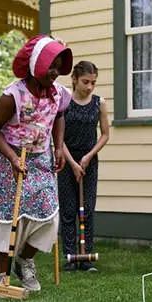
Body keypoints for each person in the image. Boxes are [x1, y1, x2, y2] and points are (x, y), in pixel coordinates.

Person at [0, 34, 73, 291]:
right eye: (50, 66)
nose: (55, 72)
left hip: (40, 159)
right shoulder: (13, 95)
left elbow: (60, 116)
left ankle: (25, 260)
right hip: (5, 160)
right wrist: (11, 157)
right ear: (36, 66)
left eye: (58, 66)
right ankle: (1, 277)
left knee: (48, 216)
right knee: (8, 219)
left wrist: (58, 147)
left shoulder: (59, 94)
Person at [58, 61, 110, 272]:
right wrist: (72, 163)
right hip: (66, 160)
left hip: (89, 161)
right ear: (74, 79)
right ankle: (70, 256)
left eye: (93, 83)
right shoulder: (64, 102)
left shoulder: (99, 103)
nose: (89, 87)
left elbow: (105, 134)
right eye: (85, 82)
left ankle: (86, 256)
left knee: (87, 209)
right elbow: (58, 138)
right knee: (69, 210)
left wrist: (88, 157)